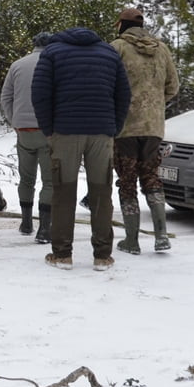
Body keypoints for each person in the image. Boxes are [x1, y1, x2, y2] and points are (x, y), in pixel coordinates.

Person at [31, 27, 130, 272]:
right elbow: (124, 95)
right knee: (101, 192)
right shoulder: (109, 53)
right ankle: (102, 256)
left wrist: (48, 128)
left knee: (63, 193)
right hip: (102, 133)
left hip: (65, 131)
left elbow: (40, 94)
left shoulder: (52, 52)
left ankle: (62, 254)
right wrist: (114, 126)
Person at [110, 8, 180, 254]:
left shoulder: (117, 47)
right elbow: (173, 85)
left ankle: (132, 240)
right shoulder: (161, 49)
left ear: (122, 25)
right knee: (151, 177)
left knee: (127, 182)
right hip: (154, 127)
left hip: (125, 127)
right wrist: (156, 104)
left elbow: (108, 84)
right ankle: (161, 235)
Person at [0, 31, 54, 243]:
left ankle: (25, 222)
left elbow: (6, 97)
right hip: (48, 130)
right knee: (49, 181)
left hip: (23, 131)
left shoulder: (17, 65)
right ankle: (44, 229)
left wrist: (15, 120)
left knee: (27, 178)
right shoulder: (53, 65)